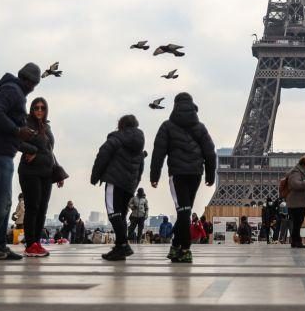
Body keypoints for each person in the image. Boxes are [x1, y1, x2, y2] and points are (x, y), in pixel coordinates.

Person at [0, 62, 41, 261]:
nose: (33, 88)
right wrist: (17, 131)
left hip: (2, 152)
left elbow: (10, 134)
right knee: (2, 201)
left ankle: (0, 245)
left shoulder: (15, 92)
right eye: (33, 83)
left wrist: (30, 146)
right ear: (27, 79)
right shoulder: (12, 90)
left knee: (6, 202)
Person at [150, 92, 217, 265]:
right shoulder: (200, 127)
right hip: (195, 174)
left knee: (184, 211)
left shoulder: (167, 126)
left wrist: (154, 175)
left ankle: (184, 249)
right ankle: (176, 246)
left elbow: (159, 153)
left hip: (178, 174)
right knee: (185, 211)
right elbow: (210, 153)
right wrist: (210, 174)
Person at [91, 114, 146, 261]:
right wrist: (134, 185)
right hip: (129, 185)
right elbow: (140, 168)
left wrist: (94, 177)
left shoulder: (116, 138)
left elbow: (102, 155)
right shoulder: (139, 144)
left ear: (121, 125)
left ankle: (123, 245)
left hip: (114, 181)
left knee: (112, 212)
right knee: (121, 215)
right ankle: (119, 247)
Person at [18, 97, 62, 258]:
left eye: (42, 108)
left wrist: (57, 171)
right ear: (31, 109)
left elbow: (50, 150)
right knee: (33, 207)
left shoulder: (47, 127)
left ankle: (36, 243)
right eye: (36, 107)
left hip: (47, 172)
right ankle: (30, 244)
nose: (39, 111)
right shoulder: (26, 123)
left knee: (42, 209)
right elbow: (16, 141)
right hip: (30, 171)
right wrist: (32, 150)